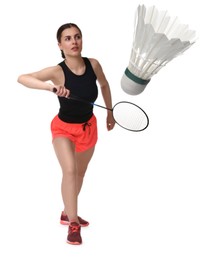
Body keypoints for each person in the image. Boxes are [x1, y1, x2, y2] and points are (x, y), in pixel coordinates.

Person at [17, 23, 115, 245]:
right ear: (60, 44)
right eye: (68, 38)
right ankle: (73, 223)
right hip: (63, 128)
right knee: (70, 171)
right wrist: (51, 88)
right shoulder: (57, 72)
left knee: (79, 174)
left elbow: (105, 85)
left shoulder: (93, 64)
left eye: (77, 37)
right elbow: (23, 78)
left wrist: (110, 113)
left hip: (88, 127)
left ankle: (66, 211)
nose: (74, 42)